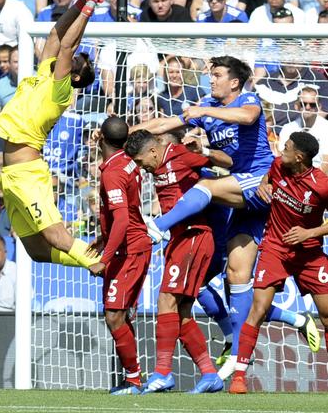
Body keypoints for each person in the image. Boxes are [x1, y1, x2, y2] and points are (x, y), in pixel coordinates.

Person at [133, 56, 321, 379]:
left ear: (234, 81)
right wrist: (126, 133)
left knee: (206, 184)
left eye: (217, 75)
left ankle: (159, 226)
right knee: (236, 275)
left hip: (262, 180)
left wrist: (204, 112)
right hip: (245, 198)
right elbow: (166, 125)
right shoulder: (207, 104)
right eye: (211, 74)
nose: (212, 80)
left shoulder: (248, 100)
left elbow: (248, 118)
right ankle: (237, 354)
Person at [0, 0, 104, 272]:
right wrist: (79, 2)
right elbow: (58, 36)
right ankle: (95, 261)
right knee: (37, 251)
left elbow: (67, 47)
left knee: (56, 235)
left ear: (75, 77)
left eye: (76, 63)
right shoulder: (45, 72)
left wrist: (91, 5)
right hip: (11, 175)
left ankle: (100, 263)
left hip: (28, 174)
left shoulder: (61, 92)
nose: (71, 57)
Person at [125, 129, 234, 394]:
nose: (143, 168)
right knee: (181, 311)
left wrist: (205, 152)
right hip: (179, 238)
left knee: (166, 300)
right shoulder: (157, 164)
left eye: (141, 162)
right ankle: (210, 374)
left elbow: (227, 162)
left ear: (153, 151)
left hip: (194, 235)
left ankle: (162, 373)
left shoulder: (182, 156)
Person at [228, 132, 328, 394]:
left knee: (327, 315)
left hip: (309, 252)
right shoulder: (278, 165)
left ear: (300, 157)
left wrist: (310, 233)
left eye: (287, 147)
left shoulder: (321, 184)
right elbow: (268, 177)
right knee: (258, 309)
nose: (281, 149)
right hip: (275, 247)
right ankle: (239, 377)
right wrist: (263, 184)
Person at [83, 117, 152, 395]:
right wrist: (104, 237)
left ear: (100, 137)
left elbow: (123, 219)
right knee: (118, 315)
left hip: (129, 250)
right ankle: (133, 376)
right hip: (130, 246)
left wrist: (105, 258)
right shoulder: (127, 162)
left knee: (113, 316)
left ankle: (134, 380)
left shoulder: (112, 172)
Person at [277, 86, 328, 172]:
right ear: (296, 106)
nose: (307, 107)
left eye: (312, 104)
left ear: (318, 107)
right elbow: (282, 157)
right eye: (303, 104)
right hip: (292, 175)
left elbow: (326, 163)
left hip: (318, 177)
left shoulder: (326, 128)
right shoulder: (287, 128)